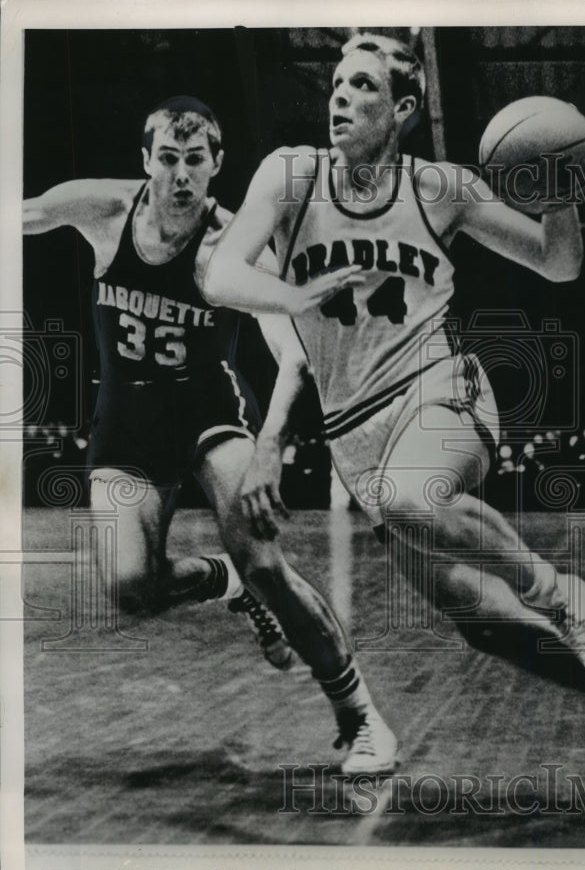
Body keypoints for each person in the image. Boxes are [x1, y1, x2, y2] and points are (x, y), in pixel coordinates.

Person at [203, 36, 585, 798]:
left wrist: (560, 193)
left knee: (414, 496)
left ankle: (560, 593)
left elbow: (558, 263)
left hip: (439, 391)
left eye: (363, 85)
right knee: (484, 624)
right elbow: (221, 274)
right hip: (354, 436)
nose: (340, 96)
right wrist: (294, 299)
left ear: (404, 109)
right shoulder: (290, 174)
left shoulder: (441, 188)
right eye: (338, 82)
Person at [23, 95, 397, 775]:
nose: (181, 175)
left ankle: (361, 717)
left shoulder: (231, 245)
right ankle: (226, 582)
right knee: (130, 587)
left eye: (195, 159)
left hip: (209, 412)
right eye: (168, 158)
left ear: (216, 164)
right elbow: (20, 216)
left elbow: (293, 355)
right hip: (125, 420)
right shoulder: (102, 209)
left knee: (268, 567)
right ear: (146, 161)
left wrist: (270, 446)